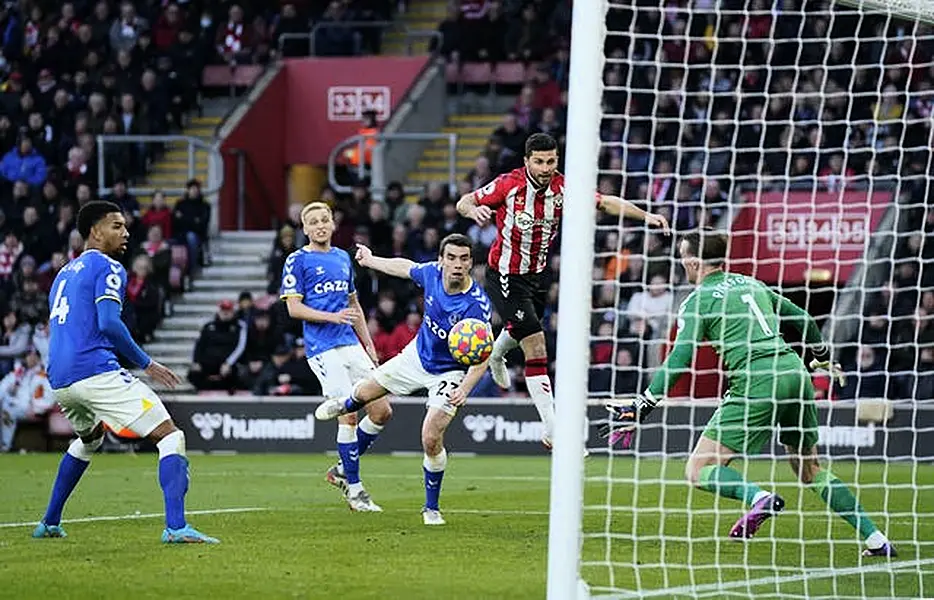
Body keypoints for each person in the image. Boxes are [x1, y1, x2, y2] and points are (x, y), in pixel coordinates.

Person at [601, 230, 895, 557]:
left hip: (757, 380)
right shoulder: (751, 283)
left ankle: (759, 498)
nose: (681, 262)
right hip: (795, 373)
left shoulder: (698, 300)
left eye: (683, 256)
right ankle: (876, 540)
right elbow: (803, 318)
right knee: (810, 470)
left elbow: (680, 357)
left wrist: (644, 404)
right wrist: (822, 357)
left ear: (695, 261)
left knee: (697, 470)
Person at [455, 132, 670, 447]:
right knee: (536, 344)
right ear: (527, 161)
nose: (545, 167)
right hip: (504, 274)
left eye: (551, 161)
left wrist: (646, 215)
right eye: (539, 161)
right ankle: (552, 429)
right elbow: (465, 201)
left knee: (520, 331)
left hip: (537, 277)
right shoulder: (508, 184)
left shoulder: (563, 188)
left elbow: (606, 203)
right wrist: (473, 211)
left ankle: (497, 353)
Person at [33, 201, 218, 544]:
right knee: (170, 436)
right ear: (95, 231)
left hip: (60, 378)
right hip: (94, 371)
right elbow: (108, 323)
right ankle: (176, 527)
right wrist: (148, 363)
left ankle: (49, 522)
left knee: (89, 440)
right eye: (116, 225)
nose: (126, 232)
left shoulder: (63, 273)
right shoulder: (109, 266)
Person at [315, 233, 493, 526]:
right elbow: (404, 266)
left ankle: (431, 508)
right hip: (416, 358)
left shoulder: (476, 304)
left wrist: (465, 387)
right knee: (365, 393)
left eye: (463, 259)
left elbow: (483, 351)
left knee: (430, 437)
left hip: (449, 373)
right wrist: (371, 260)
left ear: (471, 263)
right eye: (451, 258)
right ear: (441, 260)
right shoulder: (432, 274)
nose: (457, 265)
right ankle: (344, 406)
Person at [281, 202, 391, 512]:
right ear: (305, 229)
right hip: (323, 348)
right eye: (313, 221)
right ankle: (355, 492)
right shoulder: (297, 260)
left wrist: (368, 345)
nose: (319, 225)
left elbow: (353, 307)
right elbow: (293, 308)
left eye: (324, 220)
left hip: (351, 344)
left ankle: (342, 468)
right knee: (350, 414)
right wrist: (331, 317)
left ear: (332, 224)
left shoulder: (343, 258)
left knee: (382, 411)